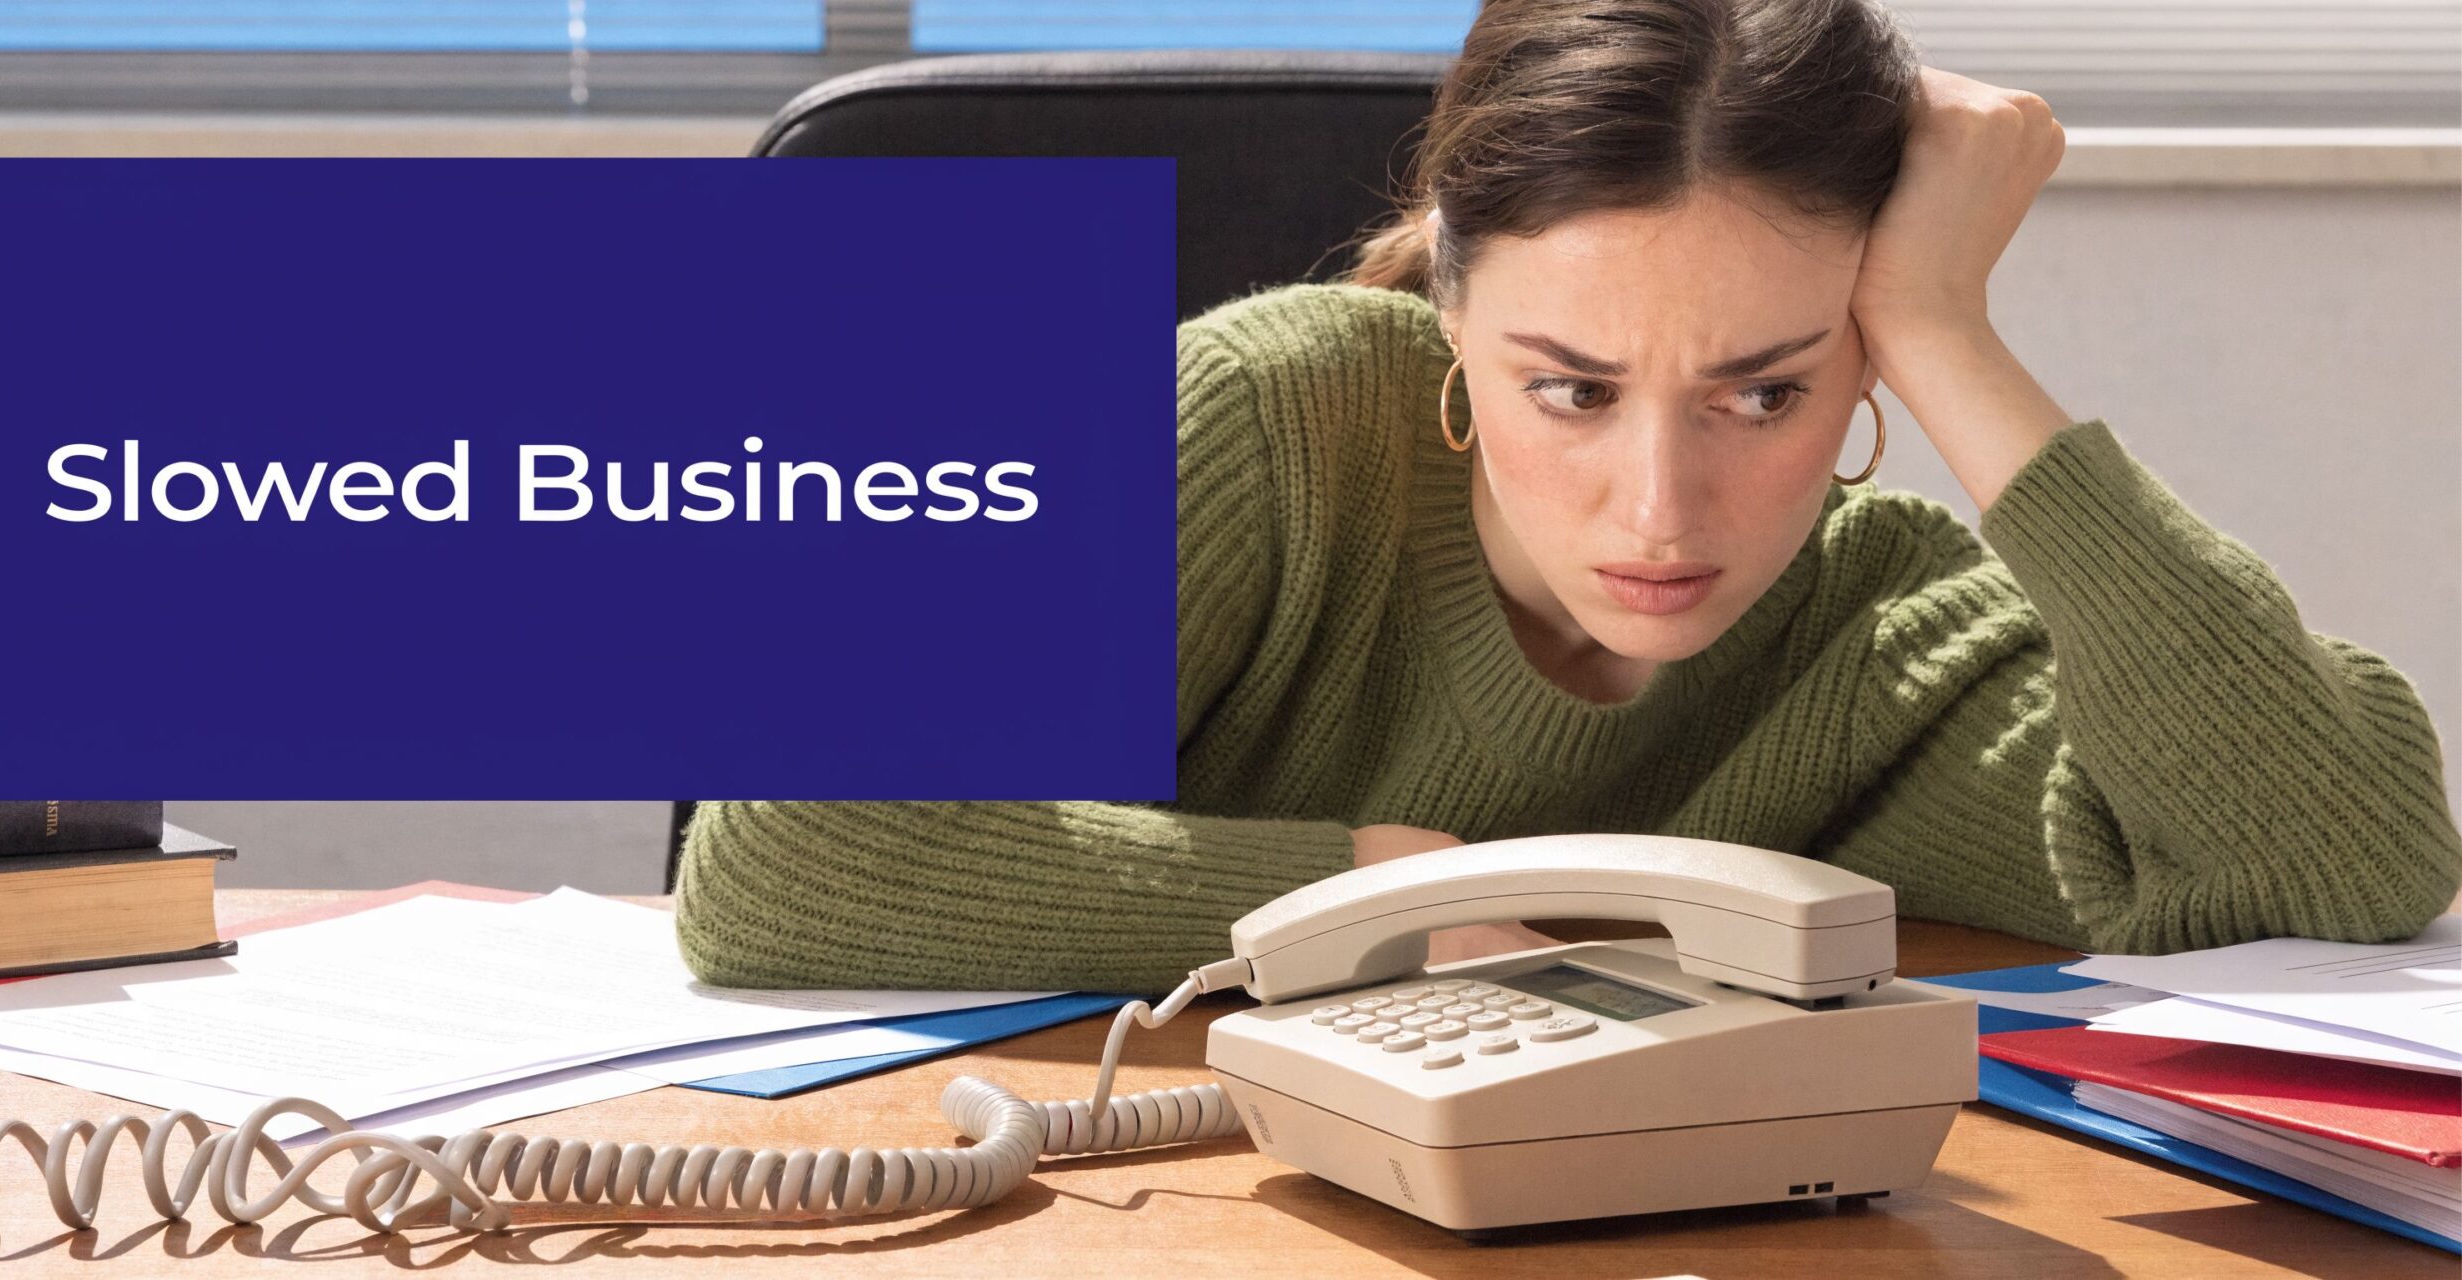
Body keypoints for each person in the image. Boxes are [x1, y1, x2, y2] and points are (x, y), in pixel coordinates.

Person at [676, 0, 2460, 993]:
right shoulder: (1265, 416)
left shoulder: (1878, 622)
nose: (1662, 510)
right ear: (1452, 313)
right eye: (1571, 392)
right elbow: (784, 855)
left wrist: (1948, 326)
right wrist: (1395, 890)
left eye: (1767, 389)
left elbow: (2341, 855)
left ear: (1862, 369)